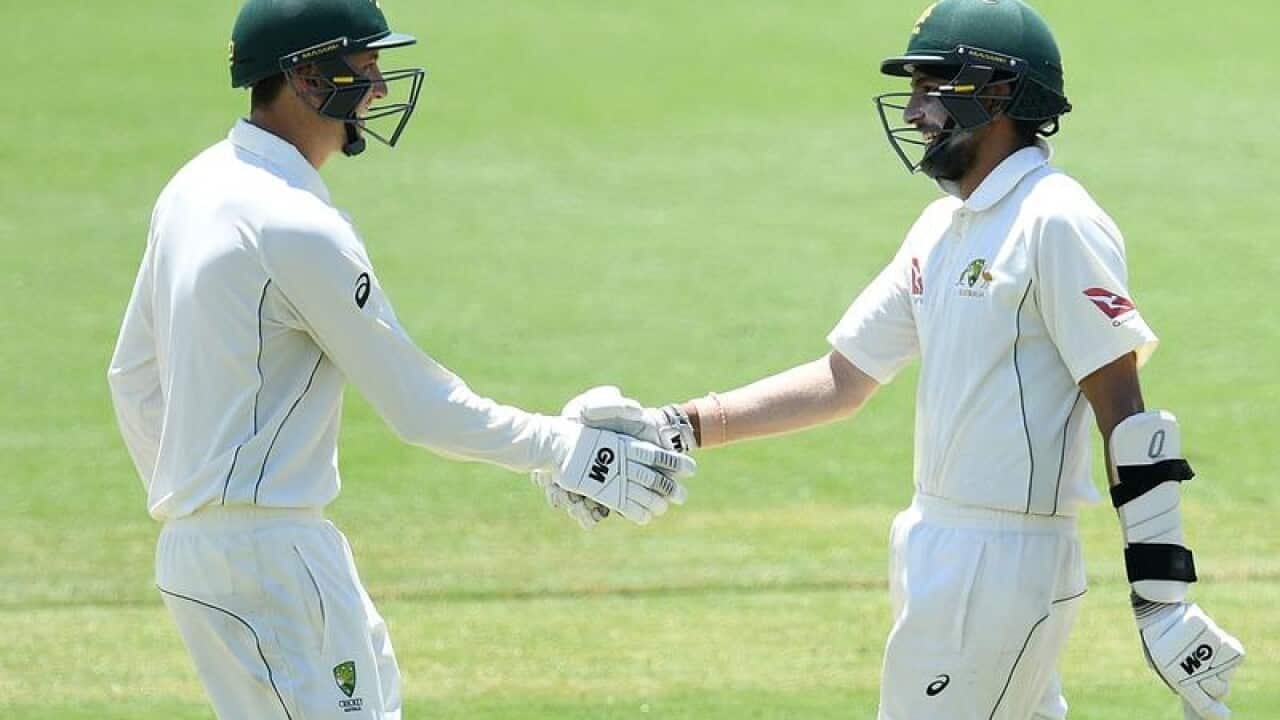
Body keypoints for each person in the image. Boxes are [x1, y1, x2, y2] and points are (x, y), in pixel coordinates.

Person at [560, 1, 1245, 717]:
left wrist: (1162, 601)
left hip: (1004, 561)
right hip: (934, 546)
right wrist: (679, 423)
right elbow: (841, 380)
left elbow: (1127, 418)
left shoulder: (1056, 219)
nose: (916, 110)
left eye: (933, 86)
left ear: (998, 93)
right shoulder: (942, 227)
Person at [106, 1, 693, 718]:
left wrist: (195, 511)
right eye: (365, 63)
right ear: (306, 74)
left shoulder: (192, 188)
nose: (380, 85)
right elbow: (420, 408)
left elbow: (133, 379)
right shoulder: (296, 224)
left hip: (210, 556)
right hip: (273, 559)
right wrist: (569, 449)